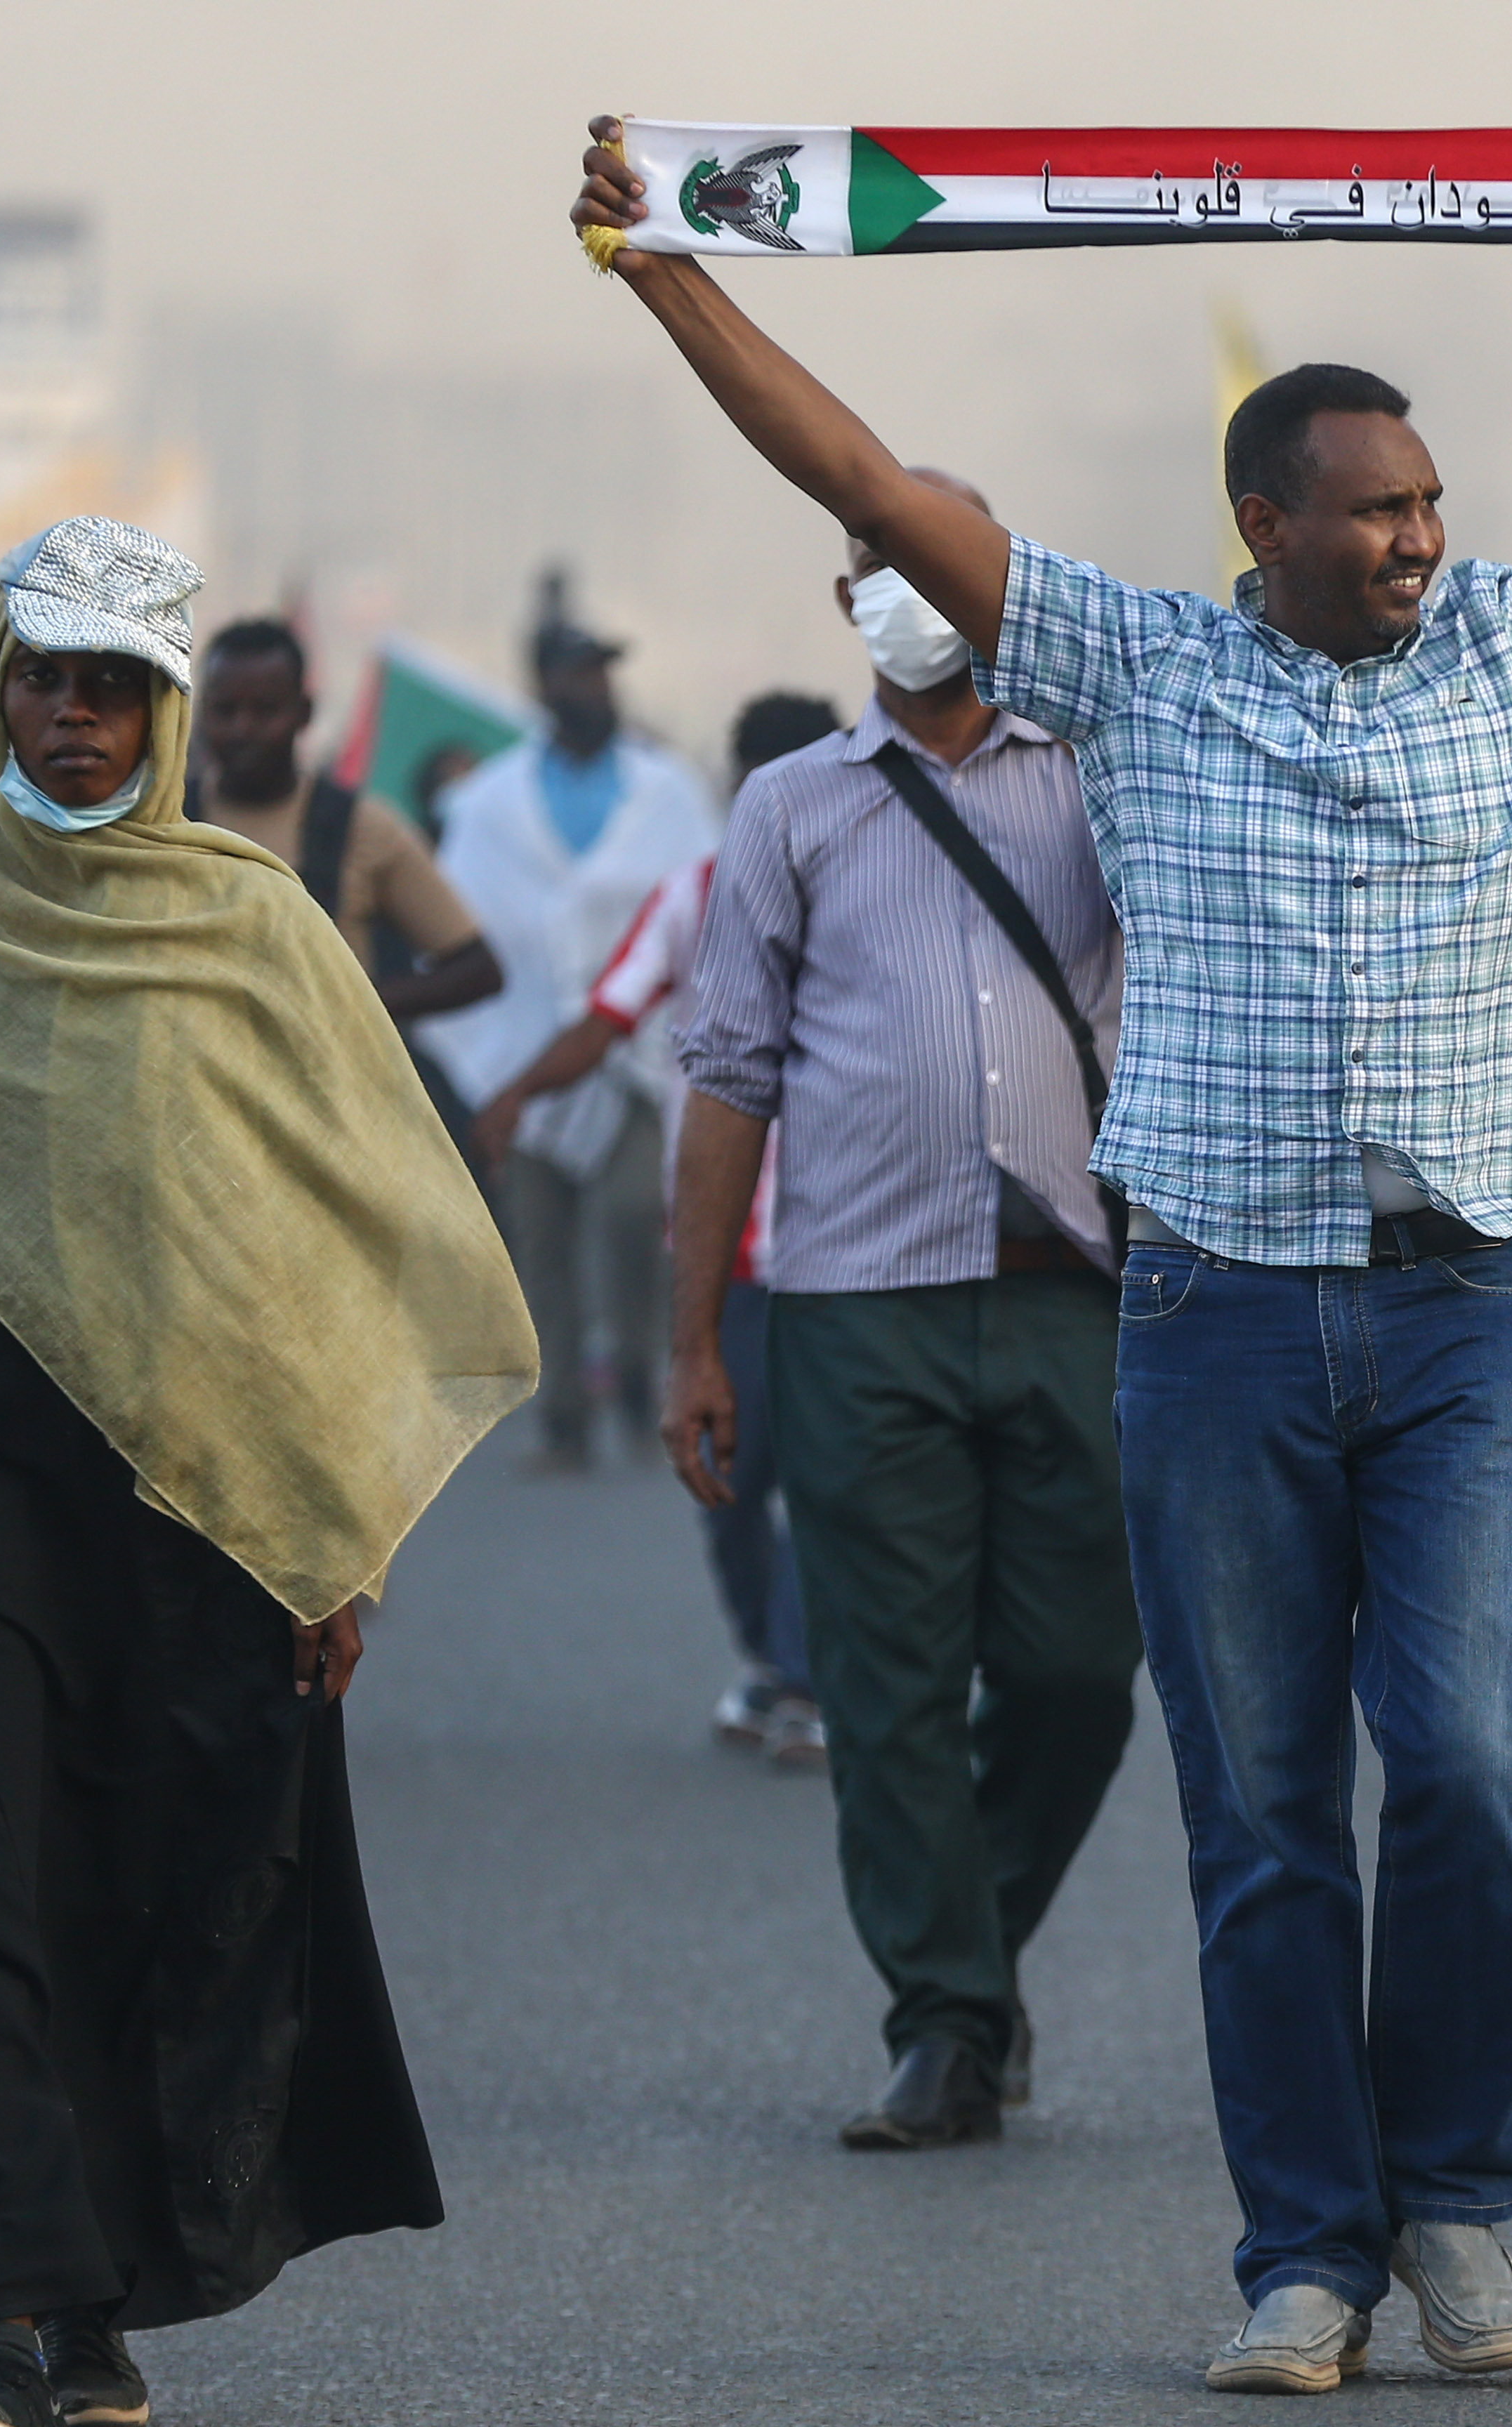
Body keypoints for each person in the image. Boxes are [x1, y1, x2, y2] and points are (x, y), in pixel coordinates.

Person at [574, 114, 1512, 2393]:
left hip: (1466, 1303)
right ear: (1262, 521)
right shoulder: (1135, 667)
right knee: (1263, 1810)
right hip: (1214, 1318)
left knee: (1472, 1765)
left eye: (1430, 501)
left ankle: (1457, 2207)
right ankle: (1302, 2249)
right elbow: (873, 485)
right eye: (1373, 508)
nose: (1416, 538)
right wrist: (666, 272)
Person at [0, 514, 532, 2427]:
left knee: (165, 1892)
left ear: (160, 716)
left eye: (113, 690)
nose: (75, 720)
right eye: (45, 681)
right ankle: (12, 2312)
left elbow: (346, 1243)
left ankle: (103, 2319)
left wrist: (341, 1547)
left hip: (202, 1514)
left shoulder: (255, 923)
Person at [655, 484, 1138, 2153]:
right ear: (845, 593)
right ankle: (942, 2021)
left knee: (1081, 1673)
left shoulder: (1100, 776)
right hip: (857, 1301)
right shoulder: (792, 807)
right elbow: (724, 1071)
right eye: (883, 569)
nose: (913, 595)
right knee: (887, 1685)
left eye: (942, 566)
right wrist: (694, 1338)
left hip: (1074, 1293)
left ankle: (973, 1956)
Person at [473, 688, 842, 1764]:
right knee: (729, 1478)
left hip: (860, 1248)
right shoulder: (696, 898)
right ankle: (774, 1663)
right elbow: (606, 1018)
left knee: (832, 1475)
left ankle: (812, 1680)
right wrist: (515, 1095)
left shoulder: (891, 883)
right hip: (728, 1254)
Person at [423, 618, 716, 1468]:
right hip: (522, 1051)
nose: (595, 688)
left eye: (604, 672)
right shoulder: (487, 803)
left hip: (638, 1054)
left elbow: (704, 896)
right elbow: (468, 914)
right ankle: (562, 1420)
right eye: (580, 673)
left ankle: (632, 1363)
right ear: (545, 684)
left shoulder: (668, 791)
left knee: (632, 1213)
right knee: (540, 1243)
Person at [188, 617, 501, 1022]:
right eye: (224, 710)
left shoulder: (362, 827)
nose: (242, 729)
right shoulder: (166, 819)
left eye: (264, 711)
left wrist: (350, 1006)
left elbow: (477, 970)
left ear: (304, 713)